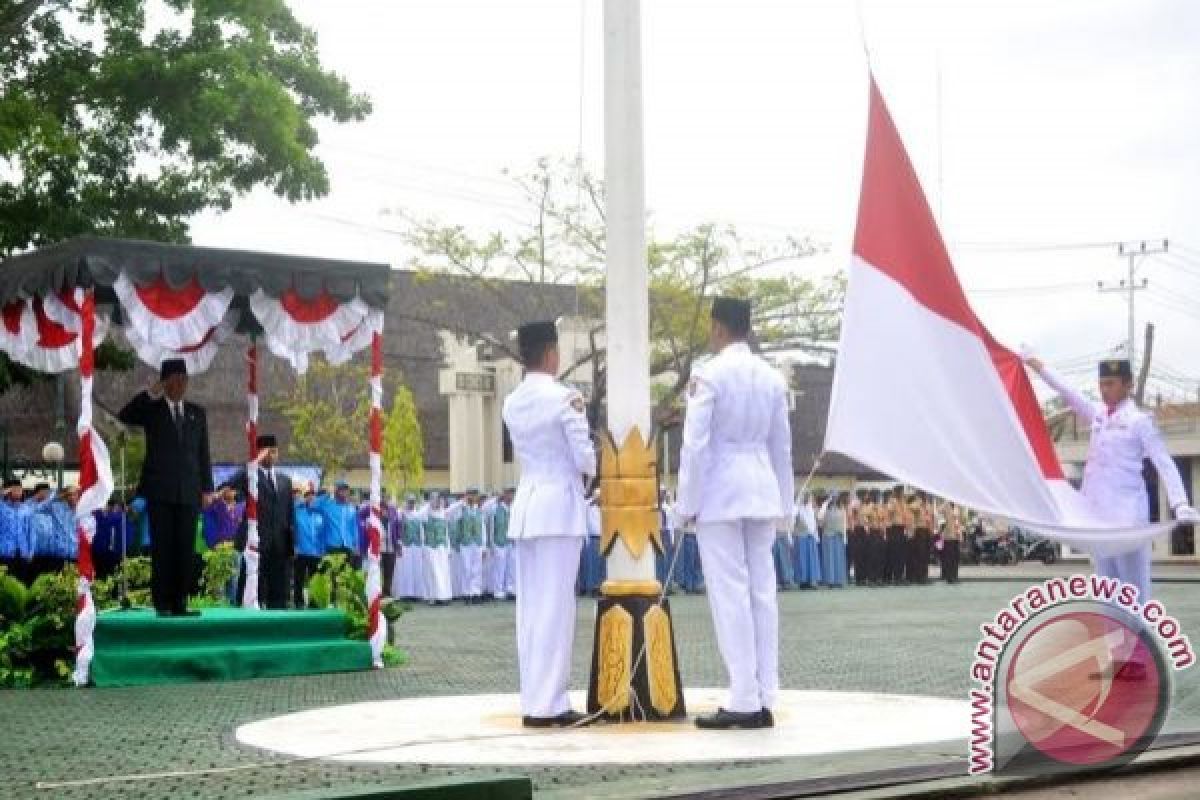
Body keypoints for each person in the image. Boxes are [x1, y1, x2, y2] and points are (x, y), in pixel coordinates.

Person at [675, 296, 794, 730]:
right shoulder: (771, 377)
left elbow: (695, 445)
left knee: (730, 594)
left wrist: (686, 503)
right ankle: (764, 693)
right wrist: (786, 505)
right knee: (763, 591)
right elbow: (782, 447)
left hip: (721, 492)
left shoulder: (708, 374)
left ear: (719, 328)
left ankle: (743, 696)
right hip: (762, 488)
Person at [1026, 357, 1198, 601]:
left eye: (1110, 384)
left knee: (1134, 594)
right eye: (1101, 384)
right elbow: (1068, 392)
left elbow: (1164, 462)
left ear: (1128, 385)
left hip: (1128, 519)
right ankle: (1113, 638)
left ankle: (1140, 638)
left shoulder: (1139, 421)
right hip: (1099, 518)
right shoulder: (1098, 415)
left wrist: (1179, 503)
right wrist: (1039, 367)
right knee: (1107, 592)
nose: (1104, 390)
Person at [502, 319, 596, 728]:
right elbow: (585, 457)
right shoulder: (566, 398)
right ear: (551, 354)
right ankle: (551, 704)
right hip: (559, 508)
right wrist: (595, 472)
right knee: (556, 610)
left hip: (527, 508)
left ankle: (534, 700)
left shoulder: (512, 401)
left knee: (532, 610)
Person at [117, 358, 213, 617]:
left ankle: (180, 603)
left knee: (185, 547)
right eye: (174, 380)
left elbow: (203, 453)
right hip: (160, 490)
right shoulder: (152, 410)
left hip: (190, 491)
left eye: (184, 379)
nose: (180, 385)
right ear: (165, 382)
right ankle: (162, 603)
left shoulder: (197, 413)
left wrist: (207, 488)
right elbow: (125, 415)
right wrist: (151, 393)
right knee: (163, 547)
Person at [230, 435, 294, 609]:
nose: (272, 455)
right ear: (259, 453)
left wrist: (291, 544)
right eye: (268, 452)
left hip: (279, 545)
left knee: (279, 595)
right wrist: (254, 462)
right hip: (255, 544)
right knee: (250, 591)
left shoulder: (285, 481)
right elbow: (229, 484)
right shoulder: (250, 475)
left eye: (275, 451)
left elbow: (289, 515)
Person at [314, 481, 360, 569]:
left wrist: (356, 545)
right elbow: (314, 505)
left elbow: (354, 528)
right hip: (332, 546)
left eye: (346, 490)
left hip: (347, 546)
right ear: (336, 491)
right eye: (341, 490)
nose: (344, 492)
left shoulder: (351, 508)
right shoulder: (328, 505)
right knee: (331, 574)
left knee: (345, 576)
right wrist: (327, 494)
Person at [293, 484, 324, 608]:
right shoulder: (298, 511)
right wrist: (294, 546)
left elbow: (323, 533)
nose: (310, 499)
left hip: (316, 552)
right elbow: (292, 529)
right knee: (299, 579)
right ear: (304, 498)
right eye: (308, 497)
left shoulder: (320, 514)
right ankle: (298, 602)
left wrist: (323, 549)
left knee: (314, 580)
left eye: (313, 497)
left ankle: (313, 602)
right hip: (300, 551)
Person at [420, 492, 453, 605]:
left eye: (438, 500)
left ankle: (444, 596)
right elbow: (418, 514)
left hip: (442, 547)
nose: (437, 502)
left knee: (444, 572)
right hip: (431, 547)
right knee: (433, 572)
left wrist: (448, 548)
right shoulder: (426, 514)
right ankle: (434, 596)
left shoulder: (443, 513)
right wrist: (429, 505)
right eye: (434, 500)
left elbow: (446, 532)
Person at [486, 487, 515, 601]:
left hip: (511, 542)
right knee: (499, 568)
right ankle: (498, 591)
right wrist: (491, 544)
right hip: (499, 542)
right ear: (504, 495)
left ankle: (510, 589)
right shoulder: (495, 509)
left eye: (512, 493)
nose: (511, 496)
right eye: (509, 493)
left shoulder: (513, 509)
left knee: (511, 567)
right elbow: (491, 527)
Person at [791, 492, 821, 589]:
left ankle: (812, 581)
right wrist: (796, 503)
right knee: (801, 560)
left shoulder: (810, 509)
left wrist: (815, 535)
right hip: (800, 537)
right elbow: (792, 518)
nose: (807, 499)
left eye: (808, 497)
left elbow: (814, 522)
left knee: (811, 561)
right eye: (805, 497)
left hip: (810, 537)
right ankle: (802, 582)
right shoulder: (797, 508)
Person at [821, 493, 849, 588]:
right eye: (832, 497)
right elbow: (820, 518)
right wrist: (825, 504)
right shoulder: (825, 509)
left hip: (839, 536)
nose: (834, 499)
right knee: (829, 559)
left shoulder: (842, 509)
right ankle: (830, 581)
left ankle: (839, 580)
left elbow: (844, 523)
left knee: (839, 559)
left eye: (836, 497)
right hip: (828, 536)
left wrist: (845, 537)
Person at [941, 501, 963, 584]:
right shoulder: (945, 505)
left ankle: (955, 576)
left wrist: (960, 534)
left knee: (955, 557)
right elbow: (939, 515)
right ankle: (949, 577)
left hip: (956, 534)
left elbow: (960, 521)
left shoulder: (958, 506)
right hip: (948, 535)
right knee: (949, 557)